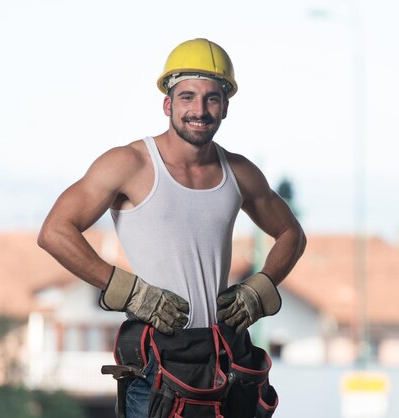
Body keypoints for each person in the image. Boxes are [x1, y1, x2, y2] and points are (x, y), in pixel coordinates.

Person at [38, 38, 306, 418]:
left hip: (223, 358)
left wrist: (258, 290)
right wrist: (129, 293)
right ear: (168, 103)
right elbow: (55, 231)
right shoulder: (129, 163)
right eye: (187, 97)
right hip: (156, 366)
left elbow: (292, 235)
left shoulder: (239, 172)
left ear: (226, 105)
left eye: (212, 98)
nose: (199, 110)